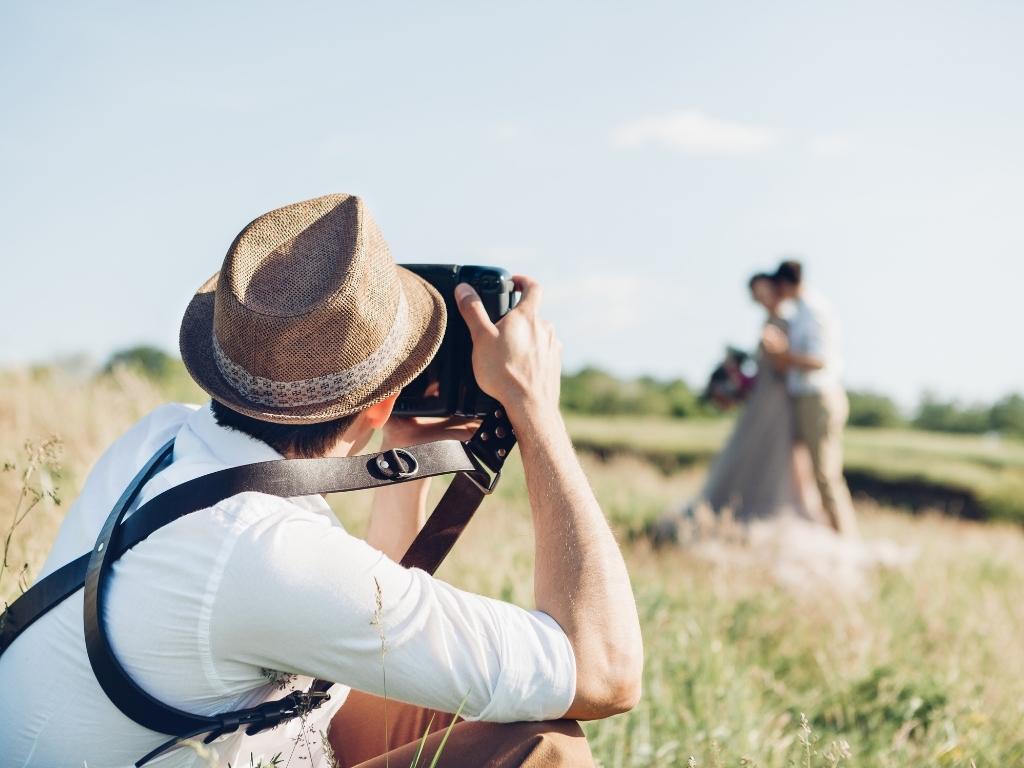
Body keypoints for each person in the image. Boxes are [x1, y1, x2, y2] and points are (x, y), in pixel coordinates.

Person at [0, 194, 643, 767]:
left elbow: (352, 609)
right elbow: (606, 674)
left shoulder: (165, 438)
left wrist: (405, 451)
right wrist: (537, 414)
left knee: (456, 707)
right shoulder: (261, 548)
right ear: (380, 401)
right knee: (544, 746)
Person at [695, 274, 818, 522]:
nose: (763, 300)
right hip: (760, 398)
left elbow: (785, 365)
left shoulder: (786, 321)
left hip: (778, 401)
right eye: (758, 296)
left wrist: (778, 352)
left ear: (777, 290)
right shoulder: (769, 320)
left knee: (777, 457)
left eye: (766, 293)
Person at [762, 260, 858, 537]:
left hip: (819, 398)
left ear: (784, 284)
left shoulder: (815, 311)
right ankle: (829, 530)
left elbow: (819, 361)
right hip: (805, 398)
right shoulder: (800, 311)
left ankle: (847, 538)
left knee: (826, 474)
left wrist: (783, 354)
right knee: (805, 473)